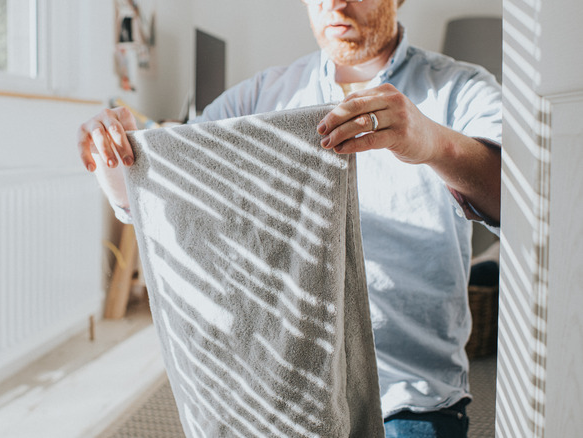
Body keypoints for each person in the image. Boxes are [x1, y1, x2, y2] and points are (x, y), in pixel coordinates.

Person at [77, 0, 501, 436]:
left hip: (409, 396)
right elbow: (170, 187)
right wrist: (115, 157)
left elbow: (515, 197)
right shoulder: (262, 95)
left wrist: (431, 140)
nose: (334, 3)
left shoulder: (458, 88)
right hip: (282, 385)